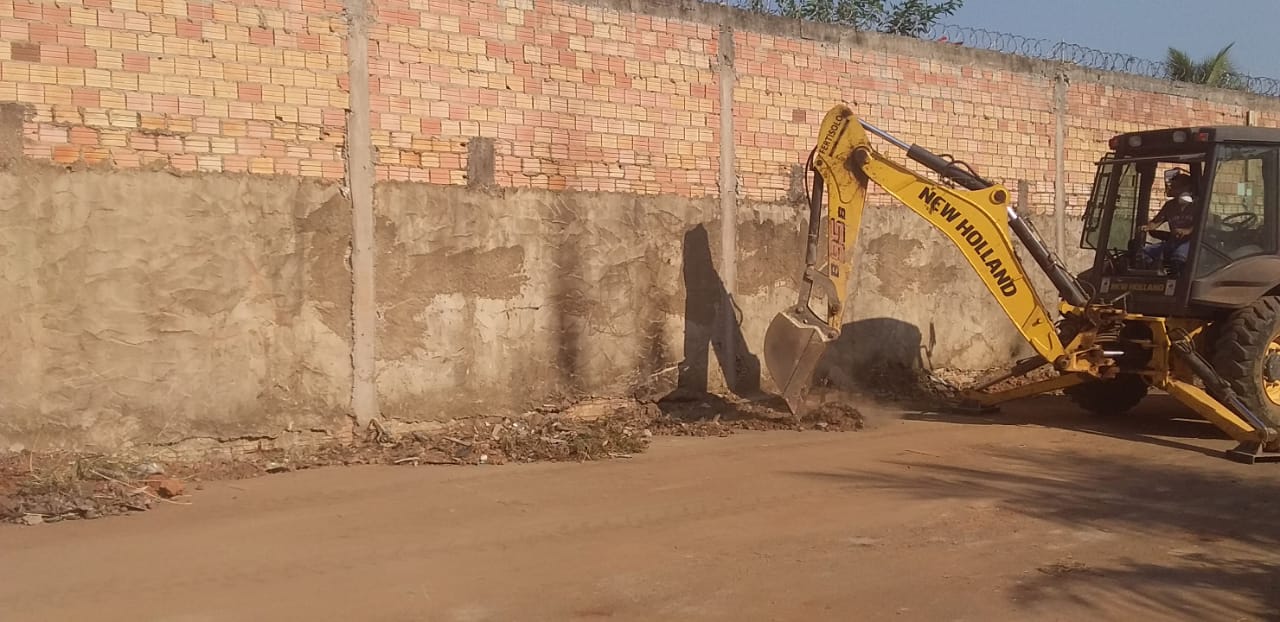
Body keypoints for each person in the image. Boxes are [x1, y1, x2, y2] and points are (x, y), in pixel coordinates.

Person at [1141, 169, 1198, 267]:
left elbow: (1203, 225)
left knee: (1178, 258)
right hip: (1172, 242)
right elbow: (1156, 222)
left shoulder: (1197, 205)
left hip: (1190, 244)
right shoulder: (1169, 205)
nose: (1171, 189)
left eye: (1176, 187)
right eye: (1172, 186)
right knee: (1143, 253)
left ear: (1187, 188)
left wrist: (1187, 231)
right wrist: (1147, 227)